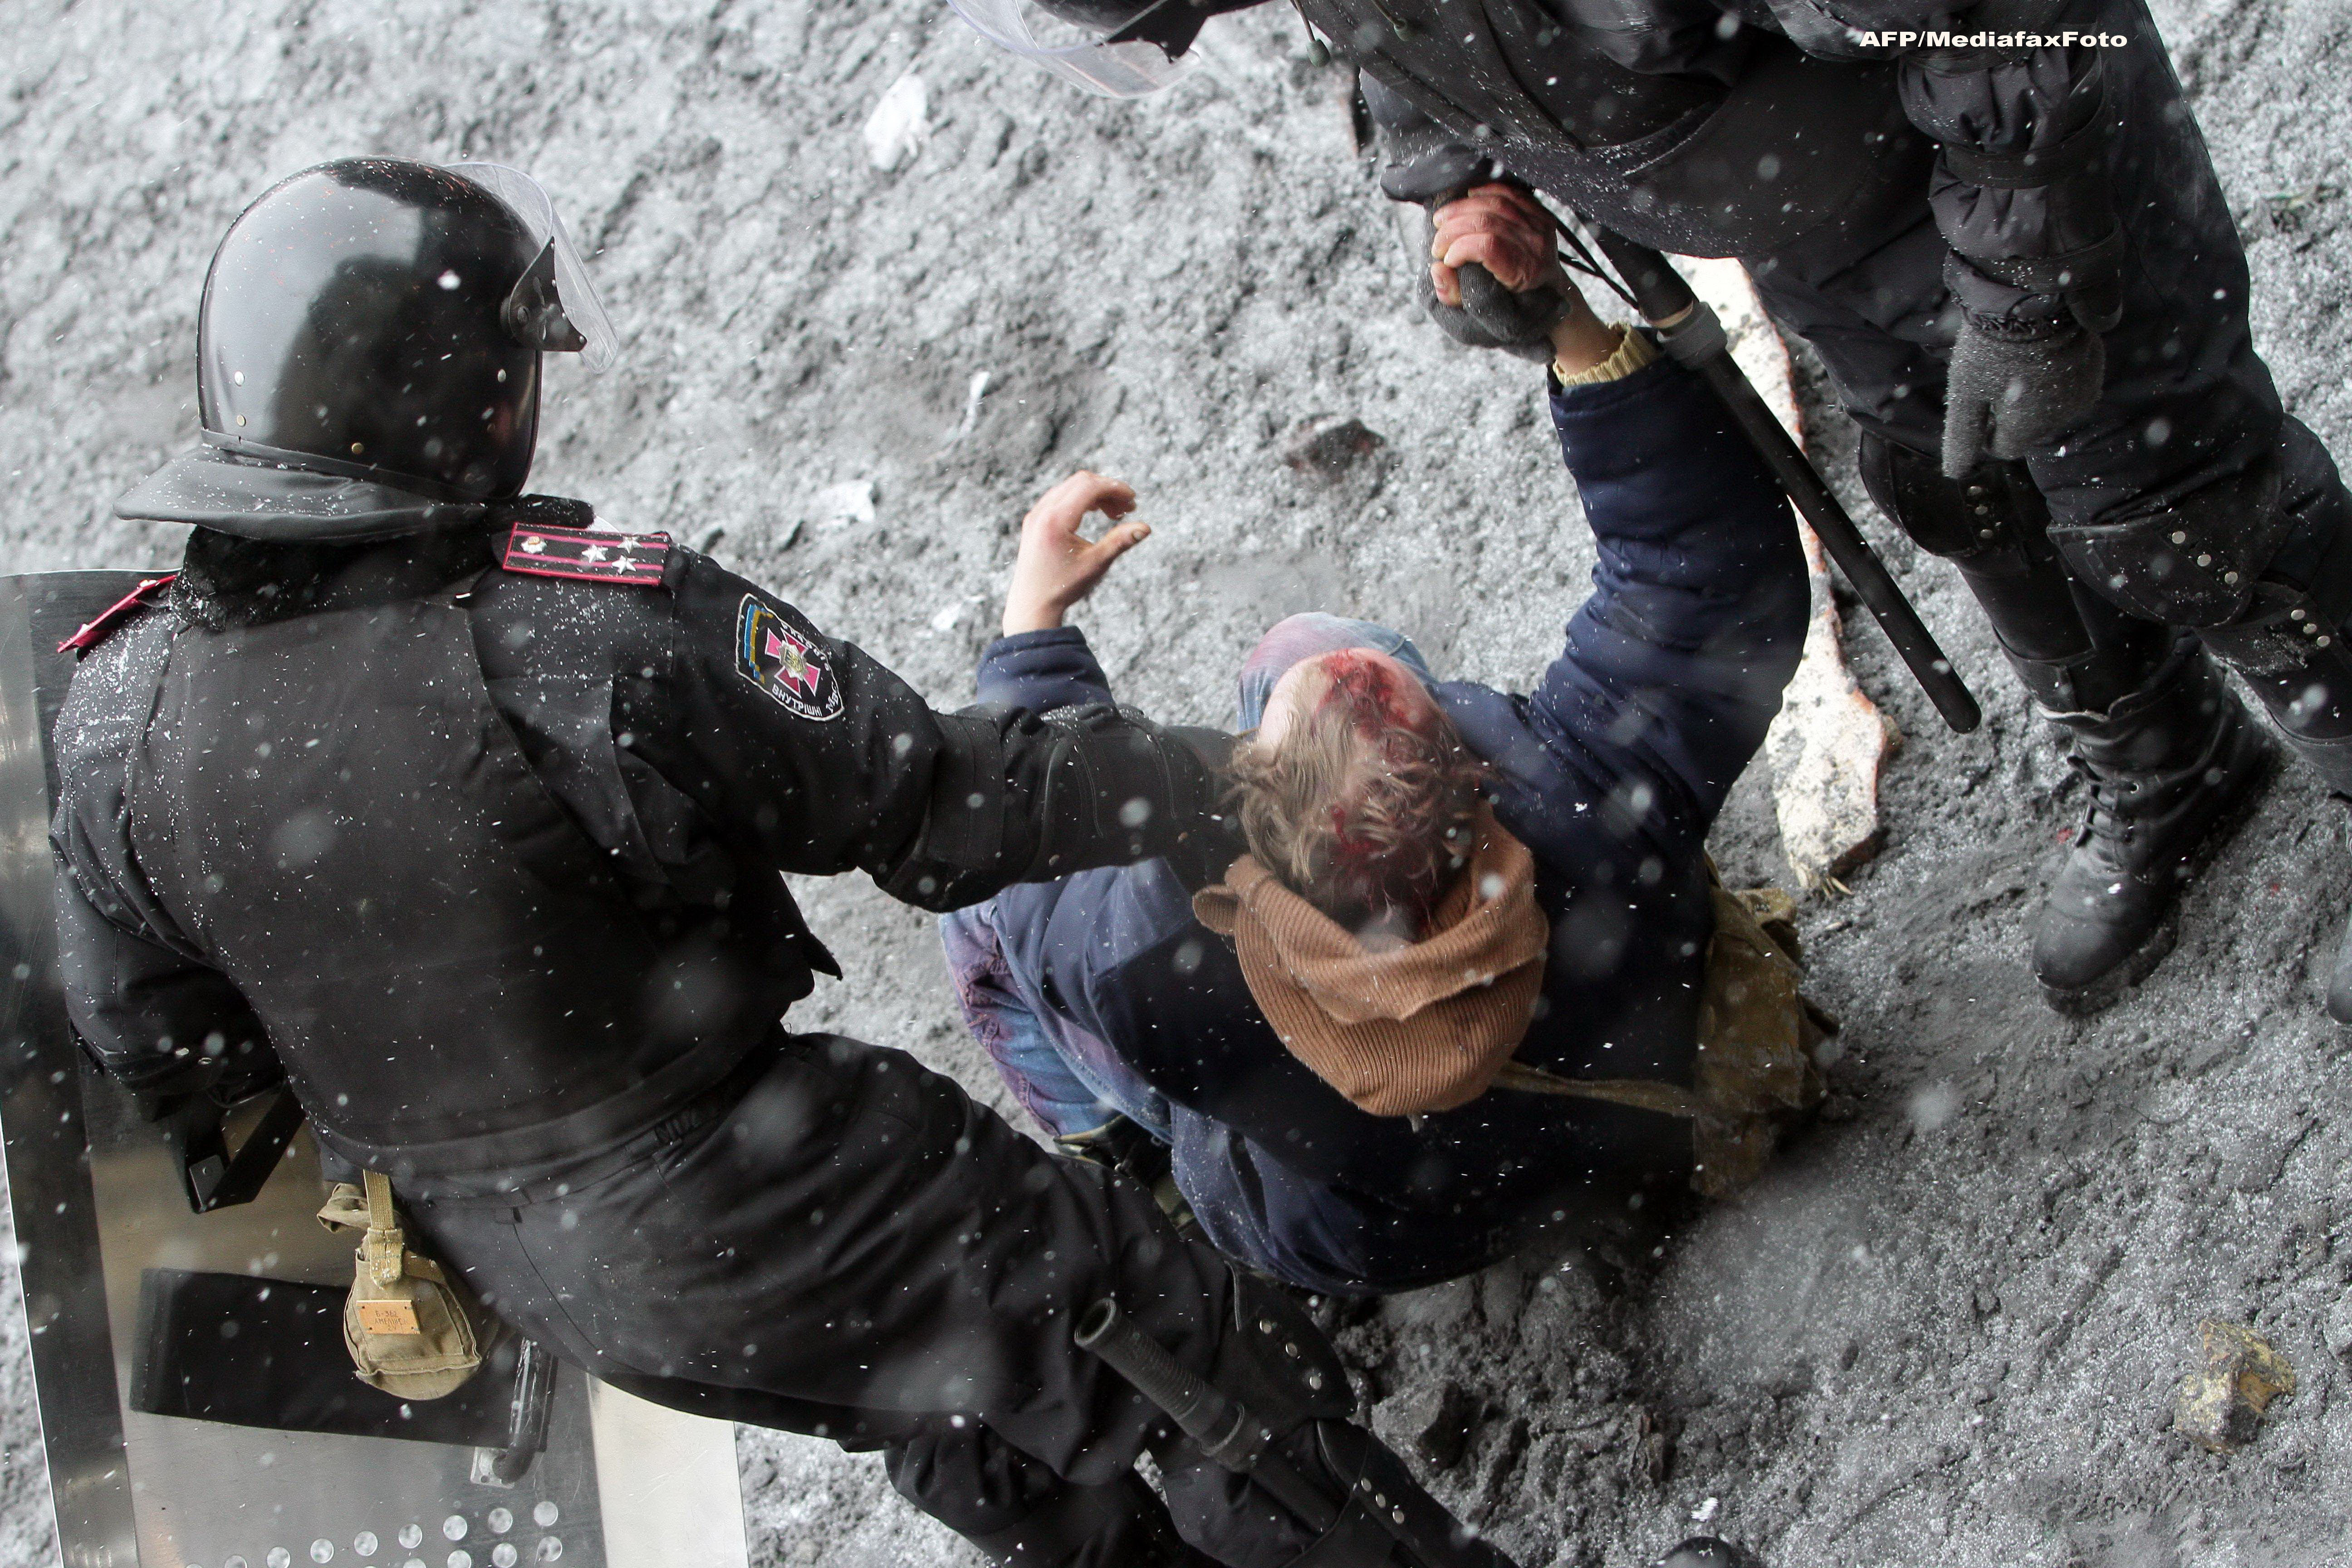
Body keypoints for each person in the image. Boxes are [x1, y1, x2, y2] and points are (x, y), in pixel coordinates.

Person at [49, 157, 1546, 1568]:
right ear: (471, 405)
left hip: (534, 1270)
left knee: (938, 1405)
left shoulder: (114, 717)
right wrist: (1235, 784)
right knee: (1174, 1352)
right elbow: (938, 811)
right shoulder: (587, 640)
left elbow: (159, 1051)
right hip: (760, 1184)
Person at [952, 0, 2346, 1020]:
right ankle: (2168, 760)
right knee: (1954, 488)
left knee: (2186, 512)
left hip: (2014, 166)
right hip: (1825, 219)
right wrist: (1467, 190)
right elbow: (1420, 44)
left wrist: (2028, 278)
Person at [941, 189, 1816, 1300]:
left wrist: (1033, 631)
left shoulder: (1149, 969)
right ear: (1471, 779)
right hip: (1632, 1071)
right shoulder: (1582, 798)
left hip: (1395, 1226)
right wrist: (1568, 326)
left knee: (975, 921)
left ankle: (1132, 1168)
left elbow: (1011, 838)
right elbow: (1708, 582)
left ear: (1248, 814)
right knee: (1308, 645)